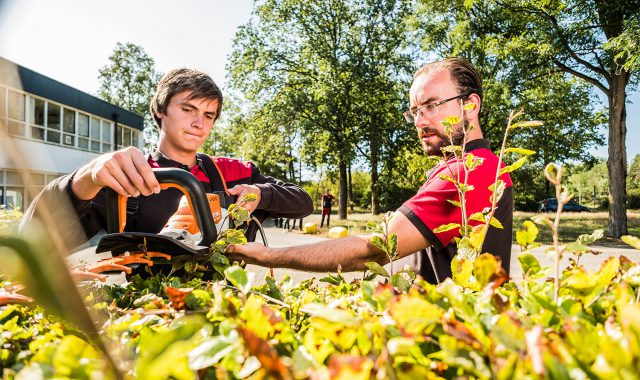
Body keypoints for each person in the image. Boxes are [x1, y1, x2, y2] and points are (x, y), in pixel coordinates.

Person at [228, 58, 513, 284]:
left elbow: (375, 249)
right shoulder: (465, 167)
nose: (419, 121)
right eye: (414, 111)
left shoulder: (472, 171)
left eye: (431, 105)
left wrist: (266, 255)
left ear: (470, 105)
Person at [22, 68, 313, 247]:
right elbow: (35, 237)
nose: (199, 123)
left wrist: (261, 194)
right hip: (154, 310)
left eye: (208, 115)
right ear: (161, 110)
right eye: (188, 109)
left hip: (228, 306)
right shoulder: (129, 177)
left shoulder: (233, 172)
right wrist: (85, 179)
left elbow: (303, 202)